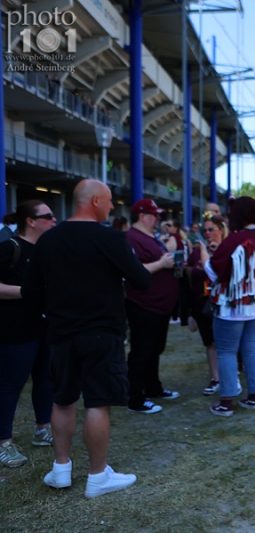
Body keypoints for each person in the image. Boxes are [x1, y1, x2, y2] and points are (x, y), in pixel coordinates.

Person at [22, 179, 151, 497]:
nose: (112, 207)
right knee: (98, 402)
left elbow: (30, 292)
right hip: (102, 332)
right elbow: (142, 280)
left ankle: (61, 469)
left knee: (62, 399)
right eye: (108, 201)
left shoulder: (48, 240)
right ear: (94, 200)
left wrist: (50, 313)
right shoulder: (111, 238)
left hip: (61, 332)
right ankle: (97, 476)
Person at [201, 196, 255, 416]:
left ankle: (226, 401)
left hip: (231, 305)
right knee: (251, 348)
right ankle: (254, 396)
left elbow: (213, 271)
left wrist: (205, 254)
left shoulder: (235, 240)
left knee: (226, 352)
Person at [0, 201, 56, 468]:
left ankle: (42, 429)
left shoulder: (46, 249)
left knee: (45, 379)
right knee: (11, 385)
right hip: (14, 329)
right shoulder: (10, 247)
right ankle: (3, 442)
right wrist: (25, 291)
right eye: (48, 216)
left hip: (44, 327)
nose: (54, 220)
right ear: (30, 221)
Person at [125, 199, 179, 414]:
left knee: (154, 349)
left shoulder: (151, 237)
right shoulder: (131, 237)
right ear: (142, 216)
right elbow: (133, 269)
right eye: (155, 215)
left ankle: (153, 387)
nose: (158, 219)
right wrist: (161, 263)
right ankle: (135, 398)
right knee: (141, 352)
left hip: (159, 305)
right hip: (144, 304)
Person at [187, 215, 228, 395]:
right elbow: (189, 280)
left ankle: (229, 376)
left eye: (212, 229)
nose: (208, 233)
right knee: (209, 342)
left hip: (224, 303)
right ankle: (215, 378)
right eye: (206, 230)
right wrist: (189, 313)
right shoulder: (196, 253)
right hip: (202, 304)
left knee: (225, 343)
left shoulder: (228, 249)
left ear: (221, 230)